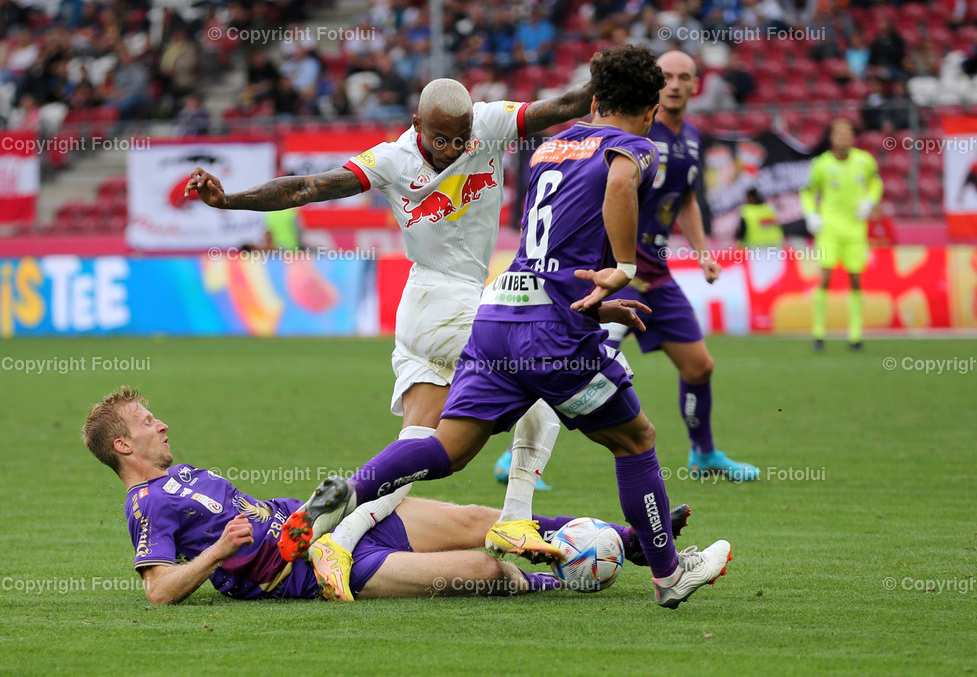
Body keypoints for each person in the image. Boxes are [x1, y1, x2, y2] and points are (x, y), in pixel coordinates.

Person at [292, 45, 732, 610]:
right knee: (636, 440)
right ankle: (669, 572)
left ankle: (352, 490)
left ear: (594, 100)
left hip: (500, 312)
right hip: (546, 331)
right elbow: (621, 187)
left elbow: (545, 252)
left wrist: (592, 306)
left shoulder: (551, 148)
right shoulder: (634, 145)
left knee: (448, 448)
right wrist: (623, 270)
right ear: (648, 110)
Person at [187, 69, 603, 598]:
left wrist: (609, 80)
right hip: (437, 300)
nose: (453, 149)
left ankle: (337, 539)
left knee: (416, 446)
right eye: (440, 138)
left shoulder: (492, 126)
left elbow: (564, 104)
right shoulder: (391, 159)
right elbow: (309, 186)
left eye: (460, 137)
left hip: (441, 308)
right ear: (416, 125)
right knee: (544, 376)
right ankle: (515, 516)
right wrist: (229, 202)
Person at [83, 387, 691, 603]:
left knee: (481, 516)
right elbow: (159, 591)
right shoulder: (147, 505)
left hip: (325, 522)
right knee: (484, 568)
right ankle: (566, 574)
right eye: (146, 422)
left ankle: (634, 542)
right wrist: (216, 555)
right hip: (311, 571)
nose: (160, 425)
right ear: (123, 449)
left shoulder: (180, 473)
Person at [600, 50, 760, 483]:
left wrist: (703, 250)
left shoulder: (691, 137)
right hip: (617, 275)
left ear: (695, 85)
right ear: (655, 85)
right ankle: (518, 462)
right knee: (578, 370)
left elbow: (686, 197)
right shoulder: (633, 135)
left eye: (683, 77)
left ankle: (704, 454)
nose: (673, 84)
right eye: (666, 77)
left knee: (699, 366)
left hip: (657, 274)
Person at [801, 118, 883, 351]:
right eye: (839, 134)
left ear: (853, 137)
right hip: (829, 230)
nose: (844, 137)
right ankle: (818, 334)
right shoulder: (821, 164)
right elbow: (808, 192)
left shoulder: (864, 161)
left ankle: (855, 335)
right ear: (832, 138)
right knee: (825, 278)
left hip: (856, 230)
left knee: (856, 280)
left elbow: (876, 184)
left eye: (848, 133)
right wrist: (811, 215)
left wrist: (869, 201)